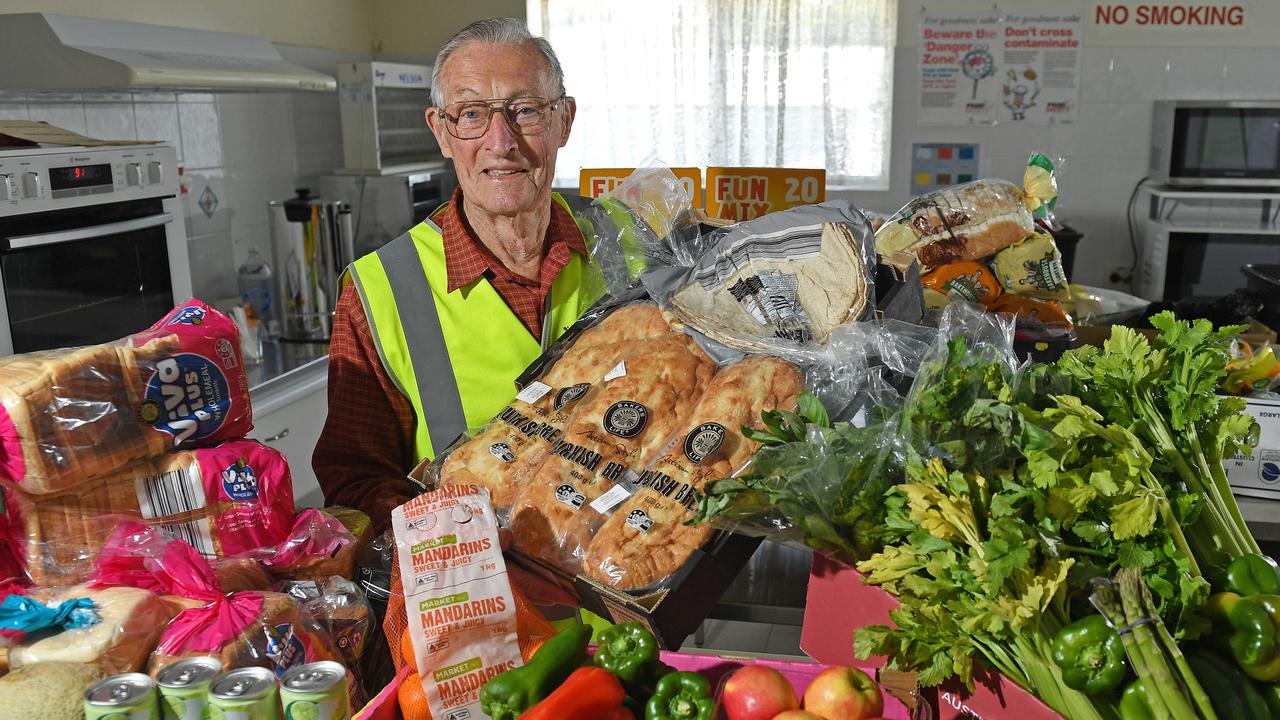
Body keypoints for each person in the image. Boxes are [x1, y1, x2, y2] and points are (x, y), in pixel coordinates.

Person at [314, 18, 604, 533]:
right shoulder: (379, 290)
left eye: (525, 111)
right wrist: (451, 531)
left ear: (565, 120)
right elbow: (355, 478)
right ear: (441, 131)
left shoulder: (630, 243)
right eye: (471, 114)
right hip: (481, 605)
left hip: (635, 596)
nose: (501, 141)